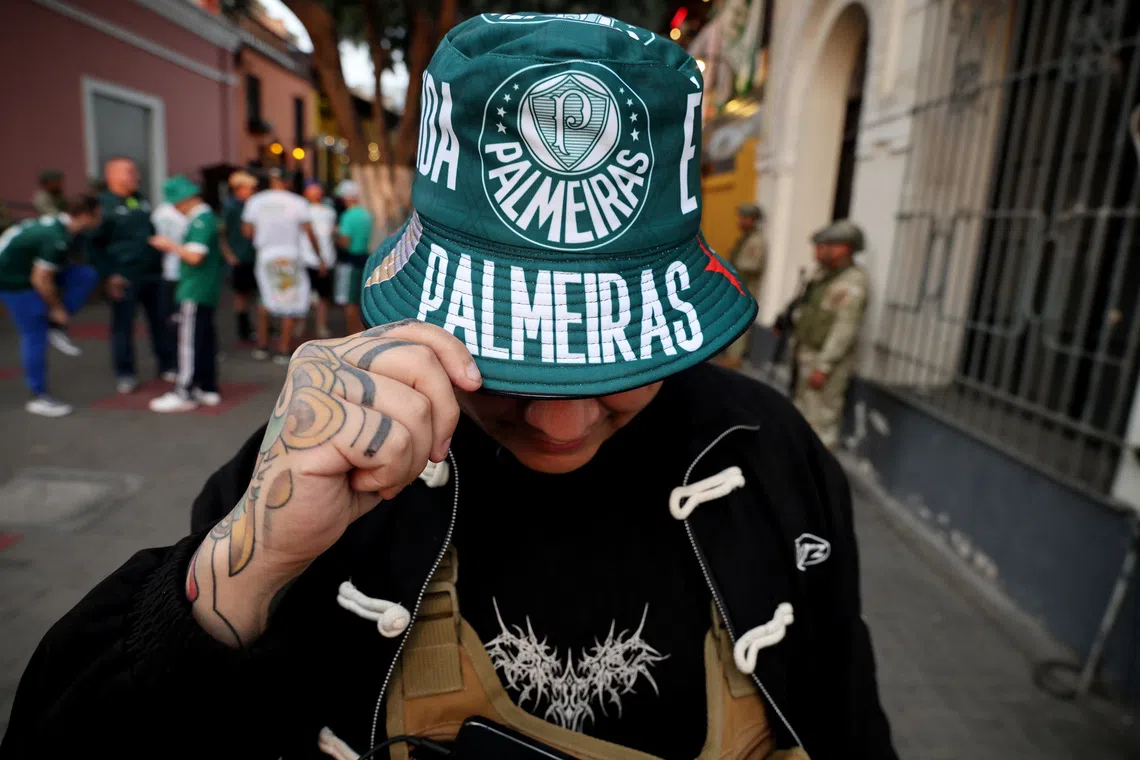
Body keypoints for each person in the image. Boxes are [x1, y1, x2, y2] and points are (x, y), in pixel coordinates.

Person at [1, 15, 896, 760]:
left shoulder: (769, 454)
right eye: (506, 361)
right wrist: (253, 563)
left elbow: (850, 719)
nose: (559, 419)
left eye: (615, 363)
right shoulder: (326, 457)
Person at [0, 195, 101, 417]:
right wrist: (56, 307)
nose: (100, 219)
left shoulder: (62, 226)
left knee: (85, 275)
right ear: (85, 216)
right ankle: (38, 396)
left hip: (25, 269)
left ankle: (55, 325)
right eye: (98, 214)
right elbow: (41, 280)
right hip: (13, 281)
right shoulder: (55, 237)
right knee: (34, 334)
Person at [89, 156, 176, 393]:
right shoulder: (103, 205)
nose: (135, 177)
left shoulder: (140, 201)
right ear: (112, 176)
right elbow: (93, 246)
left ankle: (167, 365)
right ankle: (125, 373)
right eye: (129, 172)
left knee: (160, 322)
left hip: (152, 274)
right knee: (123, 326)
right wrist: (109, 275)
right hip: (123, 276)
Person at [146, 176, 225, 413]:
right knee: (203, 338)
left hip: (195, 288)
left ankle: (185, 391)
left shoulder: (200, 220)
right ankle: (207, 386)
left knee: (189, 342)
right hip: (204, 288)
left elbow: (194, 256)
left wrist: (169, 245)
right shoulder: (207, 218)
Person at [790, 220, 870, 450]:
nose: (818, 252)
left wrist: (824, 366)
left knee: (822, 420)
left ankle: (819, 469)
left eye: (824, 246)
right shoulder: (823, 276)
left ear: (843, 248)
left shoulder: (852, 282)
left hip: (825, 361)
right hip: (807, 351)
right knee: (802, 411)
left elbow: (844, 329)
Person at [241, 168, 320, 364]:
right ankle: (284, 349)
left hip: (266, 255)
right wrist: (319, 257)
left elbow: (247, 232)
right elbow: (310, 232)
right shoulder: (298, 202)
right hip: (290, 254)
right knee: (289, 302)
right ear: (287, 182)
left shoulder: (255, 201)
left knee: (265, 298)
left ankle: (262, 345)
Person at [718, 203, 768, 369]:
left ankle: (735, 358)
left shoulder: (756, 241)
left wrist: (728, 268)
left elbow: (751, 266)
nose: (740, 221)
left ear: (753, 220)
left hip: (746, 289)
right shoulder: (745, 238)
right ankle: (730, 354)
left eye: (744, 218)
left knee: (741, 322)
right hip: (737, 288)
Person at [219, 171, 259, 343]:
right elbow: (221, 233)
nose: (252, 191)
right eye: (249, 188)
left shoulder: (253, 205)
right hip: (239, 257)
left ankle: (260, 326)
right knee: (241, 295)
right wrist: (229, 255)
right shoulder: (231, 206)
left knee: (255, 293)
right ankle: (243, 328)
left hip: (253, 255)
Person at [151, 194, 189, 357]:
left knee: (181, 315)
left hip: (183, 271)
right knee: (173, 316)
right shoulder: (165, 213)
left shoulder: (189, 211)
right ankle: (174, 352)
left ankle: (181, 350)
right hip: (173, 271)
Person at [333, 179, 372, 335]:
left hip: (349, 260)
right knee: (359, 300)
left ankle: (353, 336)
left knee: (349, 302)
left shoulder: (348, 216)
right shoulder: (366, 214)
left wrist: (334, 235)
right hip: (363, 259)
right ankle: (361, 333)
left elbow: (345, 242)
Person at [300, 180, 337, 338]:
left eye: (317, 190)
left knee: (323, 296)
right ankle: (300, 324)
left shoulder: (330, 212)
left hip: (327, 260)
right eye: (312, 190)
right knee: (303, 295)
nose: (315, 193)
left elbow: (331, 235)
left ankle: (321, 325)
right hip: (305, 259)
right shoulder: (302, 211)